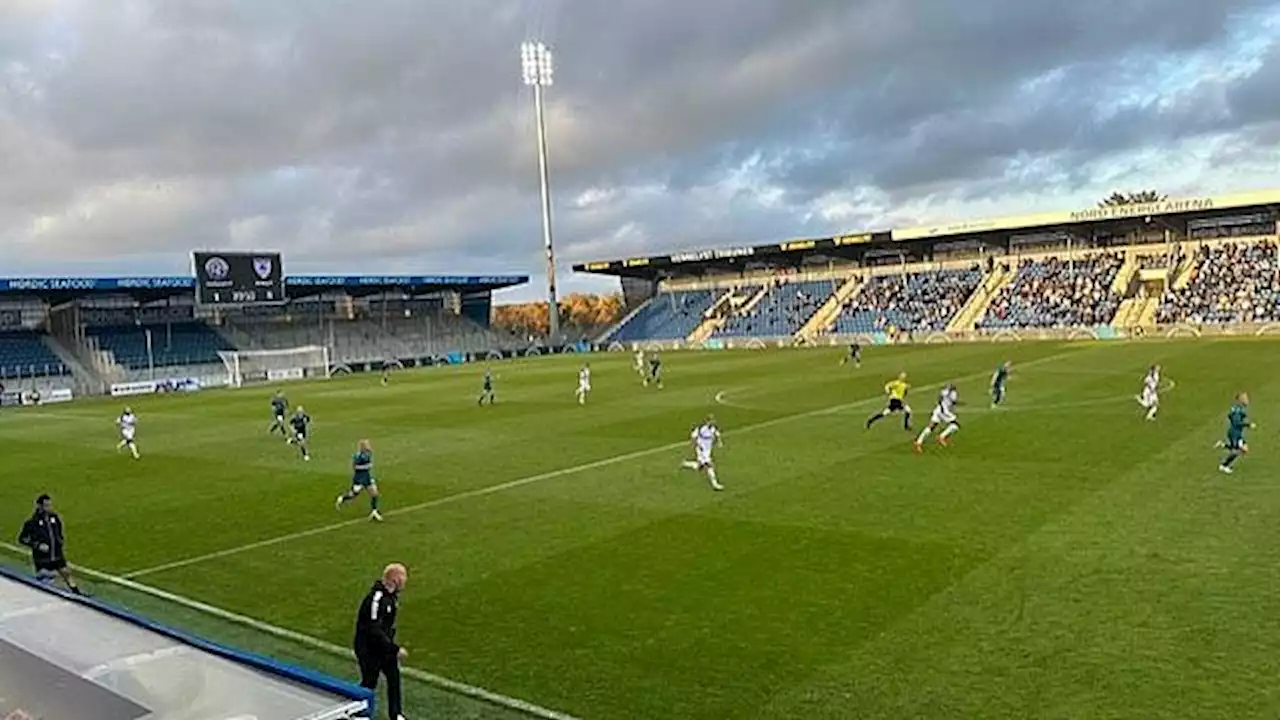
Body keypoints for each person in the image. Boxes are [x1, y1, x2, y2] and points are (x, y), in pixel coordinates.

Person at [354, 563, 409, 720]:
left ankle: (396, 714)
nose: (405, 581)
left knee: (394, 678)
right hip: (368, 648)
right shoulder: (376, 598)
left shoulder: (391, 597)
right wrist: (394, 649)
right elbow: (373, 629)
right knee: (370, 680)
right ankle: (359, 712)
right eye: (403, 577)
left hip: (383, 646)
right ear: (395, 578)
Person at [17, 494, 82, 594]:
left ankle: (77, 593)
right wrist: (37, 545)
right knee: (47, 582)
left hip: (57, 554)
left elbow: (59, 531)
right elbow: (22, 539)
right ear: (39, 506)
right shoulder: (32, 522)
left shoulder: (55, 518)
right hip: (42, 559)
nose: (49, 508)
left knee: (66, 573)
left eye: (50, 505)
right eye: (46, 505)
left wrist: (60, 541)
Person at [336, 439, 383, 521]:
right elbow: (355, 467)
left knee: (374, 493)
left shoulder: (369, 453)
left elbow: (369, 463)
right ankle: (342, 498)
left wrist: (368, 467)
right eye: (366, 445)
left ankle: (374, 511)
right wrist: (366, 467)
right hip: (359, 478)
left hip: (367, 477)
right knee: (354, 495)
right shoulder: (358, 456)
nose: (368, 446)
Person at [680, 415, 724, 491]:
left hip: (708, 450)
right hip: (701, 450)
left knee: (700, 467)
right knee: (709, 465)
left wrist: (719, 442)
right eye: (711, 420)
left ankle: (686, 464)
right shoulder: (701, 428)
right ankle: (715, 484)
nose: (713, 422)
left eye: (713, 420)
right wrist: (696, 445)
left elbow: (717, 434)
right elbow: (693, 436)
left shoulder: (713, 428)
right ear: (707, 421)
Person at [914, 383, 960, 452]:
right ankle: (941, 437)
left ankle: (918, 442)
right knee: (955, 425)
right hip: (943, 411)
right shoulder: (949, 392)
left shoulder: (948, 392)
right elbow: (946, 400)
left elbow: (945, 400)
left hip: (938, 410)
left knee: (932, 426)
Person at [1217, 392, 1255, 474]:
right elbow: (1236, 423)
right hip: (1235, 433)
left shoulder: (1236, 408)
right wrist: (1248, 424)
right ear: (1240, 400)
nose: (1247, 400)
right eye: (1245, 398)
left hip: (1237, 433)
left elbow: (1230, 416)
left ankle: (1223, 445)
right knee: (1236, 451)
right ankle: (1224, 466)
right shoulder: (1238, 410)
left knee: (1244, 449)